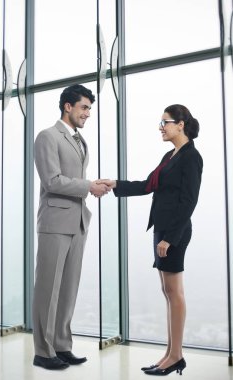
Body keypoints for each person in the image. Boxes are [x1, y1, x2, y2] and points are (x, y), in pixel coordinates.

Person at [99, 104, 203, 376]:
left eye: (165, 122)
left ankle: (176, 356)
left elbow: (189, 202)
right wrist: (116, 184)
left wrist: (169, 238)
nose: (161, 127)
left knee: (175, 293)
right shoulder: (171, 155)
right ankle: (170, 354)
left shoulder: (191, 157)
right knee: (168, 293)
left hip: (174, 232)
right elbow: (148, 185)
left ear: (181, 124)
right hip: (162, 230)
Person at [33, 84, 110, 370]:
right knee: (47, 288)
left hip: (77, 222)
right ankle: (43, 350)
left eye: (89, 108)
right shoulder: (47, 137)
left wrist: (91, 186)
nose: (88, 113)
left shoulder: (79, 140)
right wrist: (88, 186)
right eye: (84, 107)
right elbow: (51, 180)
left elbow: (74, 178)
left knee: (68, 288)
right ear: (68, 106)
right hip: (54, 222)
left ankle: (62, 346)